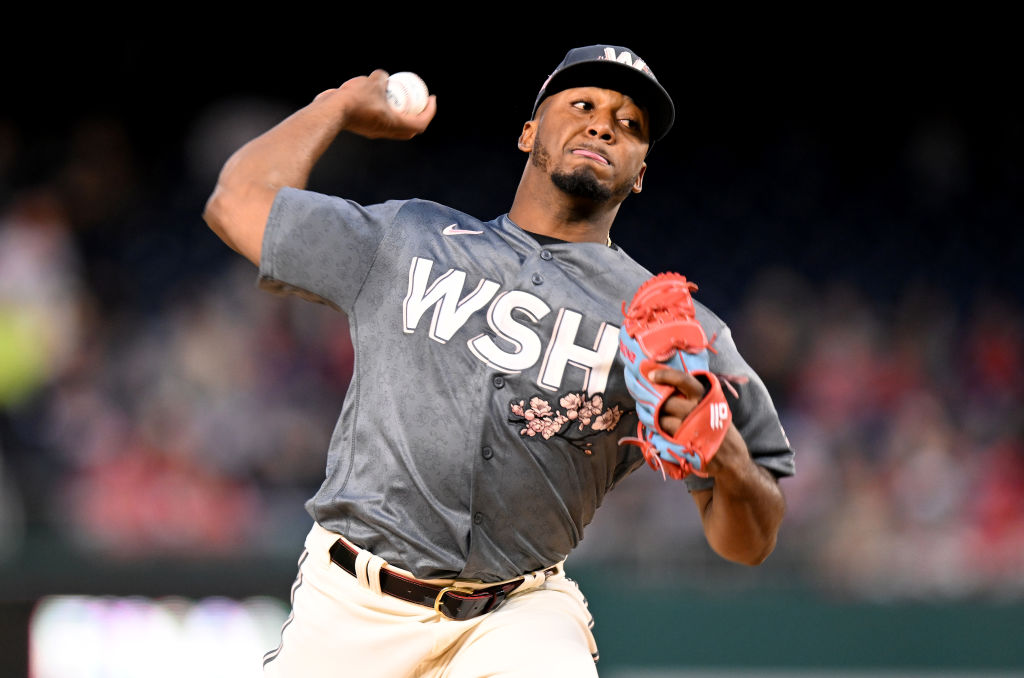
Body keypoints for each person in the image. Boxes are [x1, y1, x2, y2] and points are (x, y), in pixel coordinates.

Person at [203, 44, 794, 677]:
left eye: (630, 126)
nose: (604, 125)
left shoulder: (672, 327)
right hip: (352, 607)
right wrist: (337, 105)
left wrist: (726, 455)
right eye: (584, 105)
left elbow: (751, 542)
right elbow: (234, 202)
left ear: (641, 171)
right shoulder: (408, 239)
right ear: (528, 132)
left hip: (517, 613)